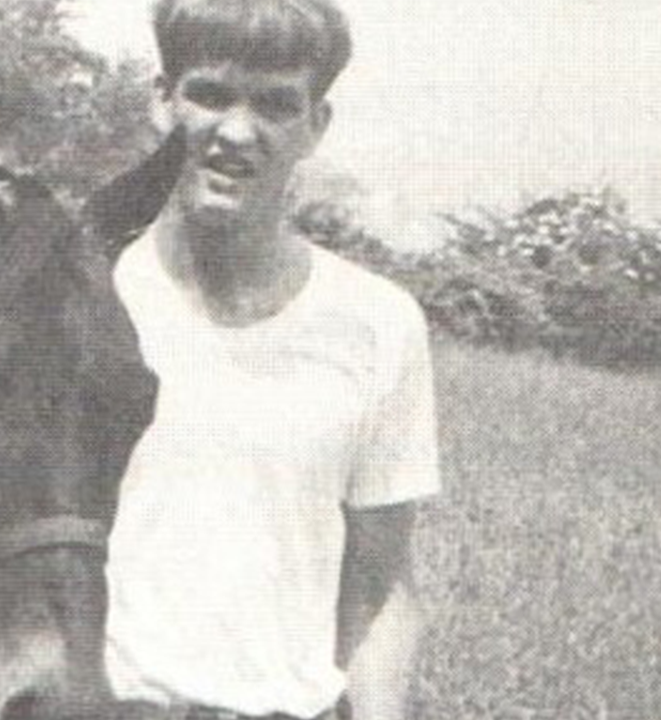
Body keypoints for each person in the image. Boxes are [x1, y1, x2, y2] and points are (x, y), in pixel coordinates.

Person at [103, 2, 441, 720]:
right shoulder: (81, 298)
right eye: (211, 94)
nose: (237, 132)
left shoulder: (378, 324)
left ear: (316, 124)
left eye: (276, 104)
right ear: (162, 99)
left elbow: (378, 591)